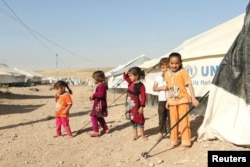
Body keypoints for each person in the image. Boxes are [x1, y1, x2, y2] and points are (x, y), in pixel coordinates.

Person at [165, 52, 199, 150]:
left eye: (176, 63)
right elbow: (169, 88)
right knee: (173, 122)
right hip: (172, 101)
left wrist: (193, 98)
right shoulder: (167, 74)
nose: (174, 65)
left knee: (184, 121)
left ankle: (186, 142)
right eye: (172, 63)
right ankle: (174, 140)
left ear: (180, 63)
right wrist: (168, 100)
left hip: (183, 99)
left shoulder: (183, 72)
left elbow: (189, 85)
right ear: (168, 63)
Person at [123, 67, 148, 141]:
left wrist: (142, 106)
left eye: (131, 75)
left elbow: (143, 97)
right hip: (129, 103)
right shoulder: (130, 82)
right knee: (132, 119)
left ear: (136, 76)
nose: (129, 77)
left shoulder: (141, 86)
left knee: (139, 119)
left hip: (136, 104)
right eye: (129, 75)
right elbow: (125, 77)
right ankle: (135, 134)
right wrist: (125, 73)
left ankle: (143, 135)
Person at [153, 57, 170, 141]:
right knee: (161, 116)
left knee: (171, 117)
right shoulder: (158, 77)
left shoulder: (172, 76)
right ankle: (161, 132)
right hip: (162, 100)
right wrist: (161, 88)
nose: (165, 69)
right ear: (161, 68)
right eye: (163, 67)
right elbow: (154, 88)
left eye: (167, 67)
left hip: (171, 99)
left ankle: (172, 132)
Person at [88, 70, 109, 137]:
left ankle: (96, 131)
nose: (93, 80)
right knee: (99, 117)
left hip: (99, 105)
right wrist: (93, 97)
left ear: (98, 78)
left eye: (94, 78)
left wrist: (94, 95)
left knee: (93, 116)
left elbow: (101, 94)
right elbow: (99, 95)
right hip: (99, 103)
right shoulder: (100, 85)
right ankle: (106, 129)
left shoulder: (101, 86)